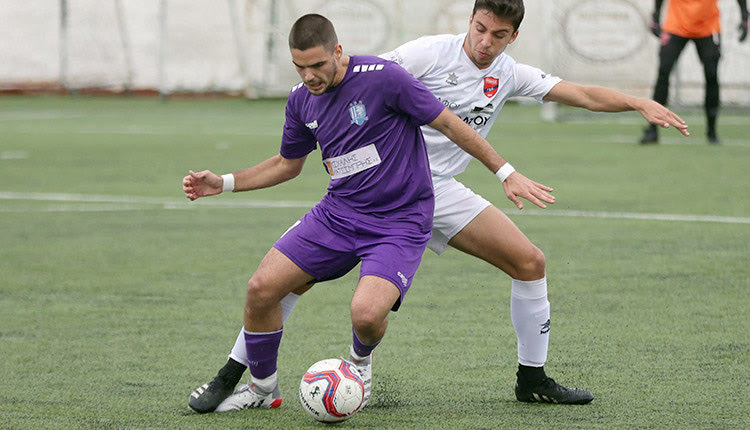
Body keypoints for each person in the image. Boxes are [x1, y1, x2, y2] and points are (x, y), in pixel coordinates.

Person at [192, 1, 690, 411]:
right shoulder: (427, 55)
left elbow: (578, 92)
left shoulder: (509, 74)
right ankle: (242, 375)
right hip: (373, 188)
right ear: (468, 22)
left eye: (497, 34)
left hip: (437, 193)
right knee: (283, 281)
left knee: (529, 262)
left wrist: (637, 102)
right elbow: (363, 81)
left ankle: (531, 378)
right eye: (479, 29)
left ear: (512, 37)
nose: (484, 42)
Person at [184, 12, 554, 413]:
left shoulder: (385, 78)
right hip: (339, 214)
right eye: (300, 67)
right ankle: (262, 390)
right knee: (261, 289)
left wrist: (505, 172)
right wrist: (224, 182)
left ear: (338, 52)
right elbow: (287, 164)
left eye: (318, 65)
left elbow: (448, 123)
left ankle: (359, 365)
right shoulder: (300, 100)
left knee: (365, 315)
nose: (310, 76)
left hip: (400, 220)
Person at [640, 0, 748, 144]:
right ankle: (653, 129)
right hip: (676, 25)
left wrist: (744, 16)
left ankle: (712, 131)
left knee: (711, 75)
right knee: (663, 71)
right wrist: (656, 16)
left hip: (708, 27)